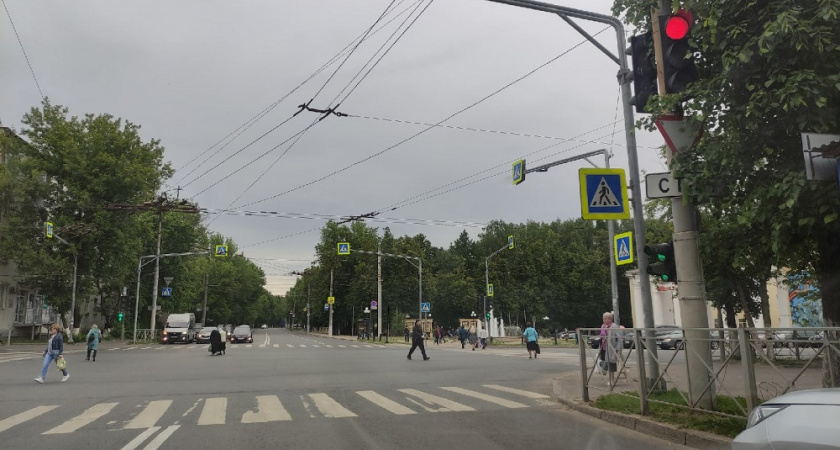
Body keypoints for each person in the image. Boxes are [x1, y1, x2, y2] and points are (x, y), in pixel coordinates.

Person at [599, 312, 622, 387]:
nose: (605, 320)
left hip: (612, 347)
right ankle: (605, 372)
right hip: (604, 347)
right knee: (606, 361)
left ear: (611, 319)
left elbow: (619, 338)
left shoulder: (614, 326)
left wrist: (618, 348)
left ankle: (612, 380)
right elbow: (601, 335)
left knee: (611, 363)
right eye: (604, 318)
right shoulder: (603, 326)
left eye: (607, 318)